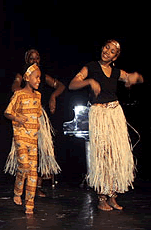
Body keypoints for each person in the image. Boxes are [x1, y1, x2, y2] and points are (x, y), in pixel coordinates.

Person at [68, 39, 144, 211]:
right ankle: (101, 197)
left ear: (115, 56)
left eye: (111, 51)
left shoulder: (116, 72)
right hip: (99, 115)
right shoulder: (91, 67)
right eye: (106, 47)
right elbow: (72, 84)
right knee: (102, 155)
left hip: (115, 113)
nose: (107, 51)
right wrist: (89, 82)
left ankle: (113, 196)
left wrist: (135, 77)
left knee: (115, 155)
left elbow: (133, 78)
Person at [4, 64, 60, 214]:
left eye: (40, 78)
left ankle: (29, 204)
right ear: (27, 78)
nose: (39, 80)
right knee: (23, 165)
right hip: (21, 135)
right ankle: (17, 191)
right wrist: (17, 117)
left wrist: (38, 126)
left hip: (33, 138)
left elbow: (38, 114)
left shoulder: (38, 96)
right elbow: (7, 113)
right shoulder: (18, 94)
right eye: (37, 77)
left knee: (33, 172)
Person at [12, 49, 65, 197]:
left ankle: (37, 186)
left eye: (37, 59)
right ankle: (24, 187)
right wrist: (23, 95)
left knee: (41, 150)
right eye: (31, 59)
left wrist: (53, 96)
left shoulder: (41, 75)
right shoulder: (23, 75)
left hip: (38, 116)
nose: (34, 61)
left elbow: (60, 85)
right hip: (25, 116)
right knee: (26, 153)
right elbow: (15, 87)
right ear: (27, 61)